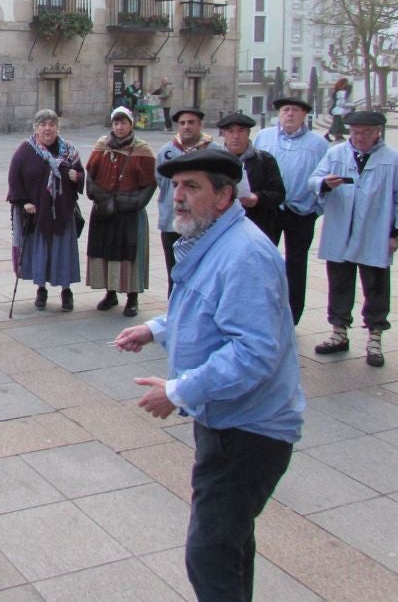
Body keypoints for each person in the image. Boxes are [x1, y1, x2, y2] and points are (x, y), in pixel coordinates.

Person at [114, 148, 304, 602]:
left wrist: (178, 390)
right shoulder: (214, 240)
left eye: (192, 186)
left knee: (209, 553)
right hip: (227, 420)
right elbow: (206, 308)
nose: (178, 197)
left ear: (224, 196)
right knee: (230, 541)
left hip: (250, 430)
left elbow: (253, 353)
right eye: (176, 186)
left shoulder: (244, 254)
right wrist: (157, 329)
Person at [310, 111, 398, 367]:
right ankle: (339, 332)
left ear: (378, 132)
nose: (359, 138)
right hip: (341, 231)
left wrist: (397, 232)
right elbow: (313, 180)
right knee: (339, 282)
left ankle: (375, 336)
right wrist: (324, 183)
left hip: (375, 232)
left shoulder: (394, 159)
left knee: (376, 286)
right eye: (355, 132)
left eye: (366, 133)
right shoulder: (336, 154)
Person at [253, 97, 331, 324]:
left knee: (296, 264)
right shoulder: (263, 137)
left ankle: (292, 315)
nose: (290, 114)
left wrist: (317, 208)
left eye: (295, 110)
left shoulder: (317, 144)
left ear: (304, 115)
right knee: (264, 261)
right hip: (269, 209)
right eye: (286, 110)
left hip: (301, 211)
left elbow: (325, 175)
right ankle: (262, 311)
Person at [6, 109, 84, 312]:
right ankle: (41, 290)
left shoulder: (69, 150)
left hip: (63, 212)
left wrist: (78, 177)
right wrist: (24, 202)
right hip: (38, 214)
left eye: (51, 124)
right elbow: (14, 180)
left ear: (58, 127)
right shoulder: (25, 151)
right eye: (43, 125)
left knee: (63, 253)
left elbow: (81, 174)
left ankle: (66, 292)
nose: (47, 128)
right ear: (36, 128)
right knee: (41, 253)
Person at [84, 107, 157, 318]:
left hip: (129, 213)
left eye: (123, 123)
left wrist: (130, 203)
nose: (119, 127)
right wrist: (101, 198)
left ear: (131, 124)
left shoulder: (142, 150)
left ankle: (132, 297)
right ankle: (111, 293)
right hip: (105, 210)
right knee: (107, 252)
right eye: (116, 123)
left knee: (129, 255)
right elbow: (91, 175)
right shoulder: (101, 146)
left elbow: (150, 184)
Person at [155, 107, 219, 290]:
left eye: (191, 122)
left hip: (203, 223)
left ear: (200, 125)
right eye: (182, 123)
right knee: (174, 273)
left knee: (203, 274)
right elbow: (161, 181)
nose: (186, 127)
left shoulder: (214, 151)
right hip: (172, 221)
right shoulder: (166, 152)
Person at [216, 112, 285, 241]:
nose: (236, 136)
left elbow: (278, 194)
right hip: (223, 228)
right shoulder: (214, 162)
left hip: (259, 228)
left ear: (248, 133)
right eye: (231, 131)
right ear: (224, 134)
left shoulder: (265, 160)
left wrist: (257, 198)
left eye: (241, 131)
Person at [326, 77, 353, 142]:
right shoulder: (342, 91)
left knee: (338, 122)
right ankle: (330, 135)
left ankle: (338, 134)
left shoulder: (337, 90)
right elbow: (343, 99)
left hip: (338, 108)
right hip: (339, 109)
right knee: (337, 122)